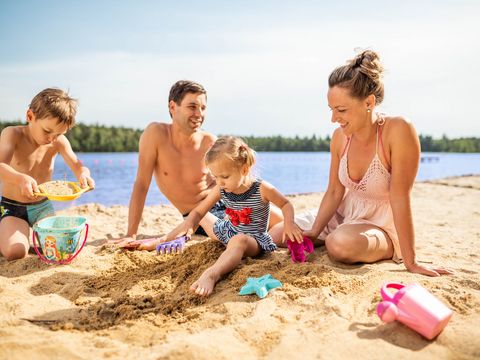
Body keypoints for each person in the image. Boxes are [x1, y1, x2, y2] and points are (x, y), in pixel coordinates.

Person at [271, 50, 452, 277]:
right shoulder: (340, 137)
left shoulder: (398, 130)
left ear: (369, 102)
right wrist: (315, 231)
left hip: (381, 224)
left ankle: (376, 246)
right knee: (278, 235)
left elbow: (399, 197)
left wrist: (411, 262)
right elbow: (335, 191)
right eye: (332, 109)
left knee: (339, 245)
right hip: (345, 213)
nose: (333, 119)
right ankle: (327, 235)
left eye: (341, 110)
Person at [112, 80, 283, 250]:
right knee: (251, 232)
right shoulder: (155, 134)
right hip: (201, 214)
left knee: (283, 221)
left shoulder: (210, 141)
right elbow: (142, 184)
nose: (199, 113)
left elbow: (234, 179)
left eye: (203, 108)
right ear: (173, 107)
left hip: (229, 199)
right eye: (192, 107)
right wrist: (131, 234)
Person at [164, 136, 303, 296]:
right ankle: (167, 240)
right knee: (198, 216)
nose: (219, 182)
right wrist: (190, 224)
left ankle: (212, 274)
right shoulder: (221, 188)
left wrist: (289, 223)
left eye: (224, 177)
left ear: (244, 169)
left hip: (252, 241)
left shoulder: (261, 188)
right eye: (215, 177)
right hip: (227, 230)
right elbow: (199, 211)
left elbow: (286, 204)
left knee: (239, 240)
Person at [0, 88, 95, 260]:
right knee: (16, 252)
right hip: (12, 208)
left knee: (59, 250)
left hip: (42, 207)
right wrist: (20, 178)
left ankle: (28, 240)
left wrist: (84, 174)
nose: (52, 138)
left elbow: (77, 165)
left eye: (59, 133)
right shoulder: (12, 134)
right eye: (47, 131)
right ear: (30, 117)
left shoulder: (58, 142)